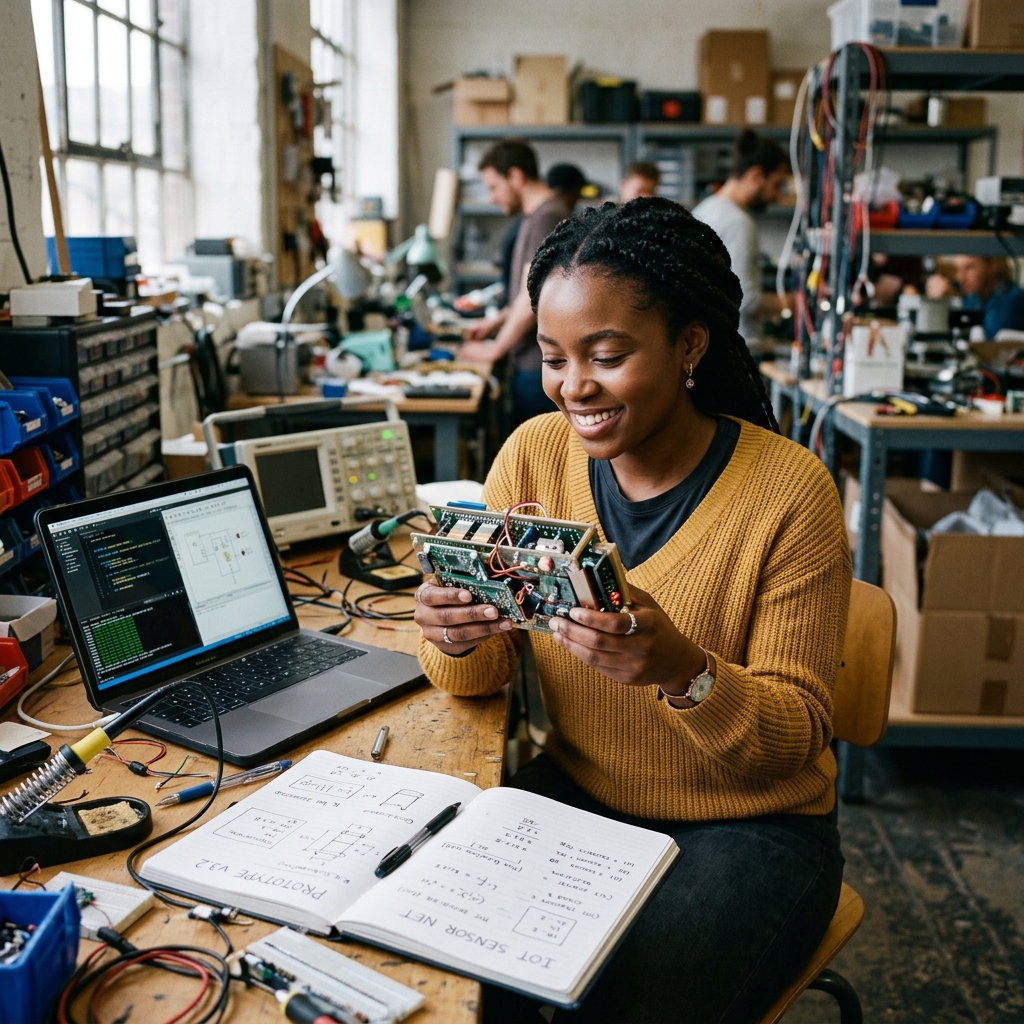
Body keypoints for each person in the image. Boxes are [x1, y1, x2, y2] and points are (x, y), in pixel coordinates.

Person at [415, 198, 850, 1024]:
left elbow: (796, 736)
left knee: (619, 1006)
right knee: (455, 965)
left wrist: (684, 673)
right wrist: (454, 633)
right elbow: (480, 679)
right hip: (580, 791)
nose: (574, 386)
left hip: (748, 825)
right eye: (552, 357)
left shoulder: (791, 492)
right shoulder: (534, 454)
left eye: (606, 355)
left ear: (690, 344)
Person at [461, 139, 572, 424]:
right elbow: (532, 291)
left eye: (494, 187)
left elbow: (530, 302)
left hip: (538, 368)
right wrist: (495, 322)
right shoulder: (535, 217)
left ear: (517, 176)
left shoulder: (546, 218)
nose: (492, 197)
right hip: (529, 363)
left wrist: (493, 350)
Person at [692, 129, 792, 355]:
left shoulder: (706, 208)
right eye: (777, 184)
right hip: (737, 349)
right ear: (756, 176)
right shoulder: (739, 222)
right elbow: (745, 300)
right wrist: (793, 302)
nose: (778, 196)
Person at [925, 255, 1024, 336]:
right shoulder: (972, 298)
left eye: (969, 268)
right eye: (958, 269)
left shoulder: (1011, 299)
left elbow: (990, 340)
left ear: (992, 265)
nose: (960, 278)